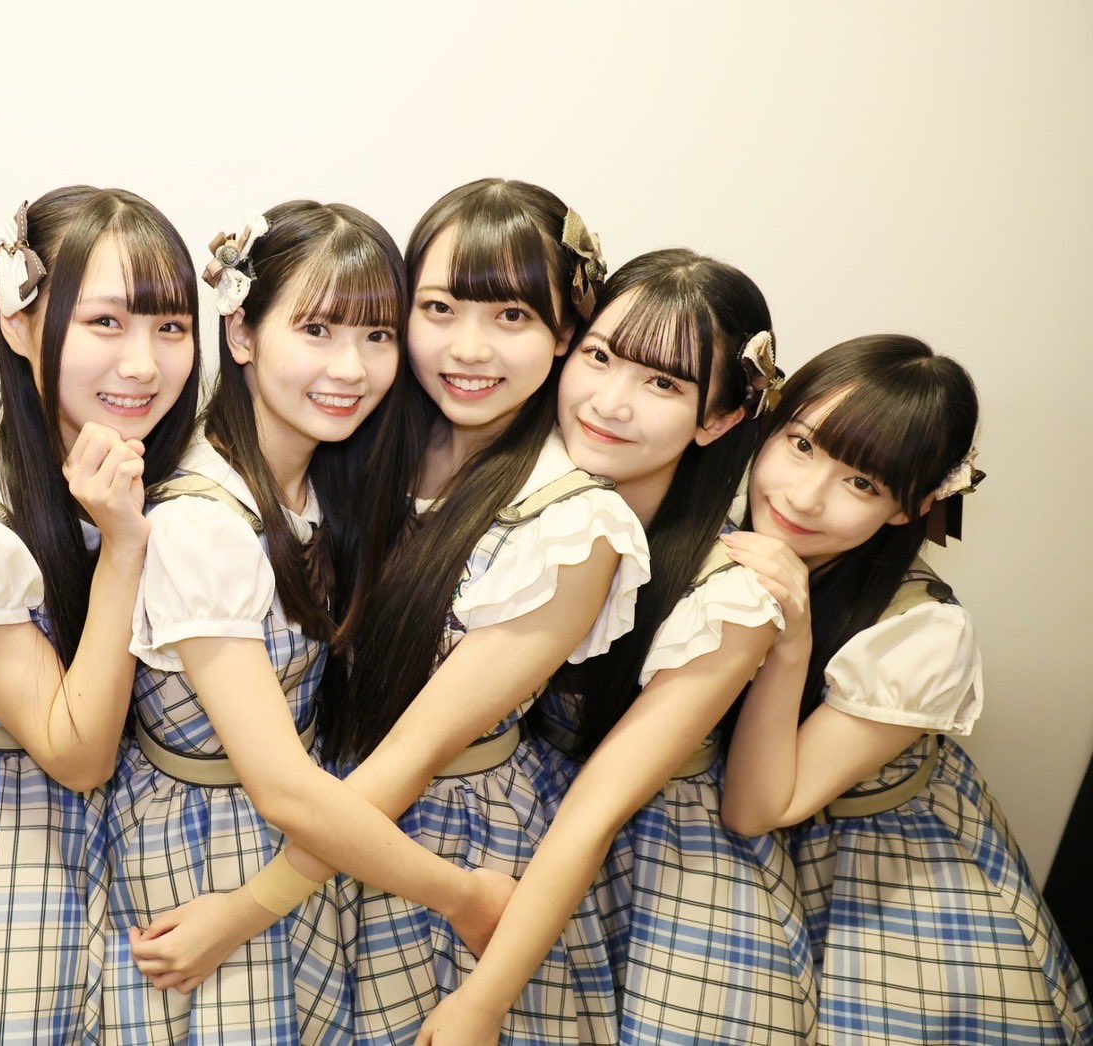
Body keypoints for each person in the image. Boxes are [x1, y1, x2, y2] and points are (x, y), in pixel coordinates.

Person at [136, 180, 647, 1045]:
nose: (470, 348)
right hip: (334, 833)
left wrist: (251, 907)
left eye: (513, 317)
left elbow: (414, 752)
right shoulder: (364, 452)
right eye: (440, 309)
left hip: (457, 838)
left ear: (566, 331)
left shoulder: (572, 524)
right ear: (242, 332)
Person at [101, 200, 512, 1044]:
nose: (350, 368)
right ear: (242, 334)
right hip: (205, 852)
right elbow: (281, 787)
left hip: (314, 847)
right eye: (317, 330)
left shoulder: (328, 485)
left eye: (376, 335)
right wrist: (465, 896)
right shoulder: (204, 520)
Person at [422, 250, 815, 1044]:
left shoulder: (727, 595)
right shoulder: (523, 493)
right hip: (517, 830)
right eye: (600, 357)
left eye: (662, 384)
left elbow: (594, 813)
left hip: (666, 873)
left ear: (718, 419)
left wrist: (482, 1005)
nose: (610, 402)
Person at [0, 187, 200, 1041]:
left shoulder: (192, 488)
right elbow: (78, 752)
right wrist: (123, 546)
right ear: (18, 322)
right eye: (106, 323)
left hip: (153, 850)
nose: (143, 364)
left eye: (170, 327)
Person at [720, 335, 1092, 1045]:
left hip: (883, 886)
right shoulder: (719, 520)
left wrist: (794, 642)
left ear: (907, 507)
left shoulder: (922, 634)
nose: (805, 496)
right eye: (802, 444)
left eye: (862, 483)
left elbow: (757, 809)